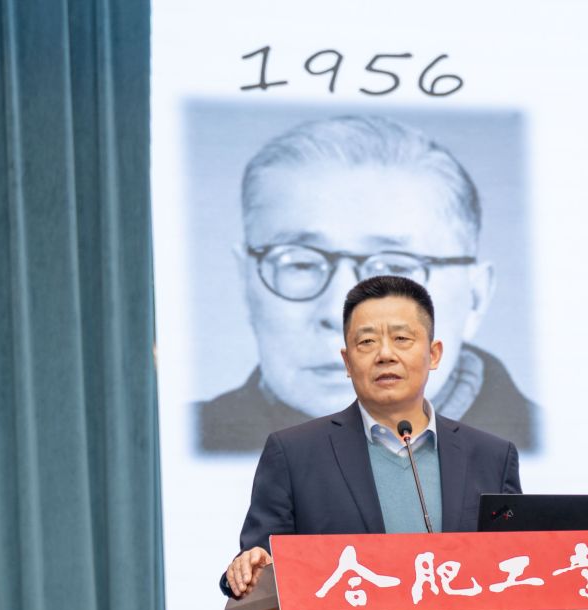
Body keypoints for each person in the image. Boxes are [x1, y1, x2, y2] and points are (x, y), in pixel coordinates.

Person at [197, 114, 542, 455]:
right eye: (300, 264)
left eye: (394, 267)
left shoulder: (556, 451)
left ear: (476, 298)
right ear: (245, 282)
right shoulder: (184, 444)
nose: (340, 316)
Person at [221, 275, 522, 599]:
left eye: (402, 338)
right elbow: (258, 567)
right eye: (366, 342)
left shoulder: (491, 458)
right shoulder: (294, 455)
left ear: (434, 354)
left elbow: (519, 564)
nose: (385, 354)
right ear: (347, 361)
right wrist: (250, 568)